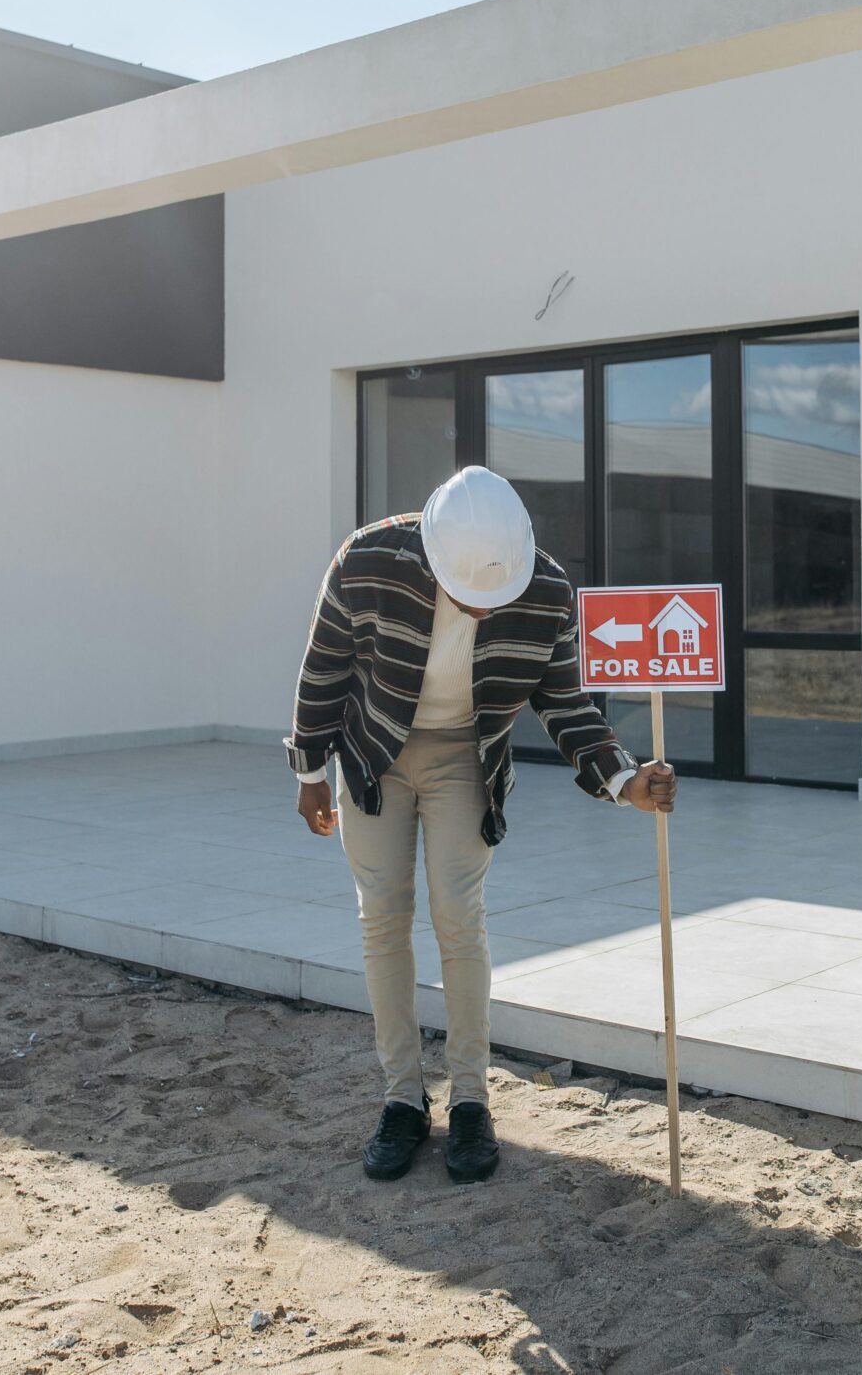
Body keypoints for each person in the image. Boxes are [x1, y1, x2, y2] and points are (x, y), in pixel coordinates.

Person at [286, 465, 677, 1183]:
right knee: (383, 916)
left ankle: (471, 1098)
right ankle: (402, 1098)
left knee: (458, 914)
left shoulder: (549, 590)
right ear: (433, 558)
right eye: (471, 598)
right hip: (373, 748)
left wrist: (624, 778)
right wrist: (310, 770)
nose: (485, 611)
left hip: (467, 751)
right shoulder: (366, 559)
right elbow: (326, 665)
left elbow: (566, 702)